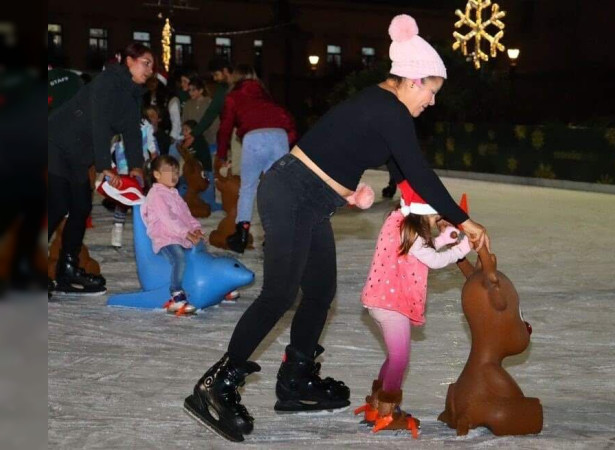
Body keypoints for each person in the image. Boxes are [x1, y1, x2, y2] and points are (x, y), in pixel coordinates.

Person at [183, 14, 489, 443]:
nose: (432, 102)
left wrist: (436, 224)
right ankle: (216, 385)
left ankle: (296, 379)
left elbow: (405, 175)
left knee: (320, 291)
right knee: (279, 294)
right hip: (291, 194)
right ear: (413, 80)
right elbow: (419, 172)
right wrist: (464, 219)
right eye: (431, 91)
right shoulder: (389, 110)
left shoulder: (385, 108)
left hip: (309, 201)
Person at [355, 180, 471, 435]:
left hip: (379, 300)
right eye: (437, 216)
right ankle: (387, 411)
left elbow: (414, 251)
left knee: (394, 355)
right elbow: (433, 260)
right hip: (392, 305)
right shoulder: (414, 233)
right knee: (400, 358)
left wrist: (444, 238)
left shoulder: (398, 222)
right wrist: (459, 250)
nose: (438, 221)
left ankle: (375, 404)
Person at [48, 42, 152, 295]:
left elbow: (132, 132)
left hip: (78, 154)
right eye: (146, 63)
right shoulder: (107, 81)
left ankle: (67, 269)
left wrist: (136, 167)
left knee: (81, 207)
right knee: (58, 205)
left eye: (152, 66)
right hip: (56, 143)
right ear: (129, 60)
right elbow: (99, 123)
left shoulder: (132, 94)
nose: (150, 70)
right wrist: (105, 166)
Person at [214, 64, 297, 253]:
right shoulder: (265, 95)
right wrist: (285, 143)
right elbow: (288, 122)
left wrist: (221, 154)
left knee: (248, 188)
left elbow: (225, 128)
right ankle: (275, 236)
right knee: (277, 189)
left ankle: (241, 234)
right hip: (279, 136)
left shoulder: (233, 97)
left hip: (254, 138)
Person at [141, 155, 202, 315]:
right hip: (165, 238)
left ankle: (214, 286)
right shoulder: (156, 195)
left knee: (200, 252)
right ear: (157, 174)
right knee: (179, 258)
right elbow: (168, 219)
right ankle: (176, 295)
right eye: (169, 171)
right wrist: (186, 233)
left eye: (176, 171)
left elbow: (186, 215)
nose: (174, 175)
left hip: (180, 236)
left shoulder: (174, 194)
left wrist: (195, 228)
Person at [109, 107, 159, 247]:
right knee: (123, 199)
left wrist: (155, 157)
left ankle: (146, 230)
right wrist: (111, 166)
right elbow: (110, 147)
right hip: (123, 167)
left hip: (141, 166)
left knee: (142, 197)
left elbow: (151, 143)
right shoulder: (117, 125)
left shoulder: (145, 124)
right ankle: (118, 227)